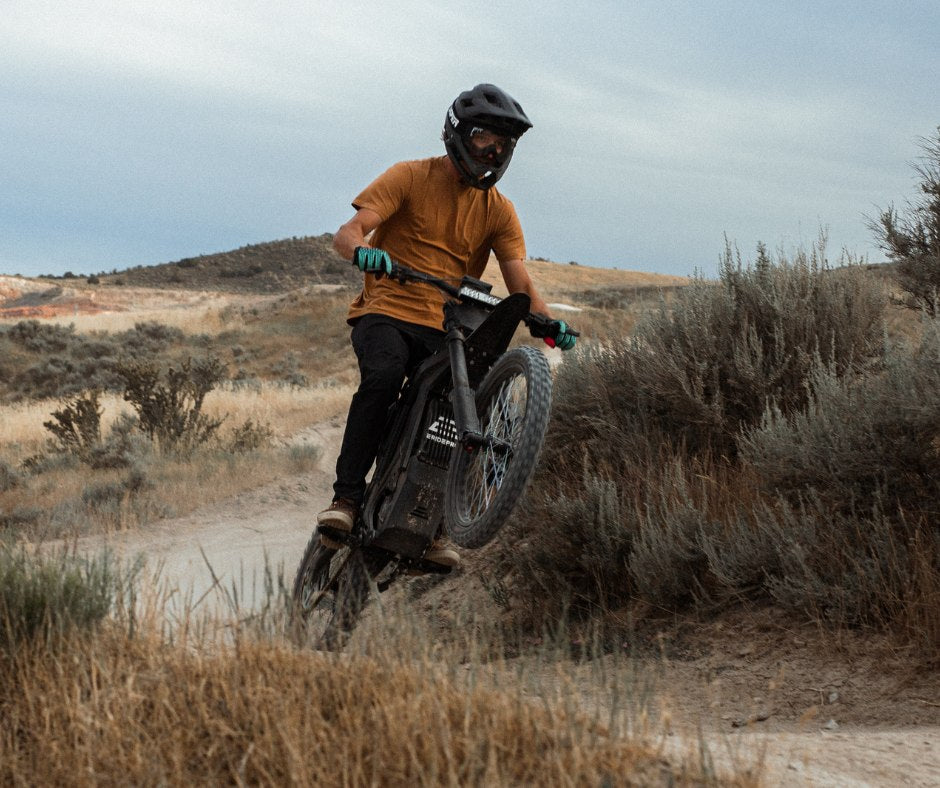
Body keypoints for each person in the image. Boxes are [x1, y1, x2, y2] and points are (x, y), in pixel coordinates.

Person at [318, 83, 577, 568]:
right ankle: (346, 500)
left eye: (504, 144)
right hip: (388, 308)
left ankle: (435, 525)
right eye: (484, 137)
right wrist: (364, 251)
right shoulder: (409, 177)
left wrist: (546, 322)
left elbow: (520, 281)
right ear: (458, 133)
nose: (494, 151)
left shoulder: (499, 210)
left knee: (464, 407)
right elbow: (347, 233)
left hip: (448, 325)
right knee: (384, 373)